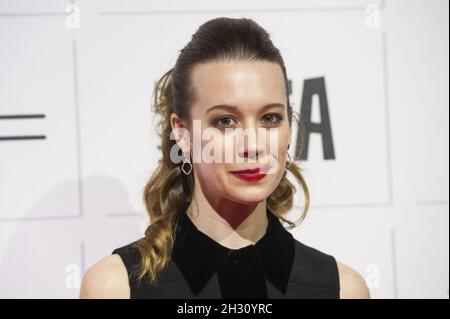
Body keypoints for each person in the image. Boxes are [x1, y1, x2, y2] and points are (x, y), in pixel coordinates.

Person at [80, 17, 370, 299]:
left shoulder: (342, 289)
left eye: (270, 118)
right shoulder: (117, 287)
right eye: (225, 121)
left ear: (289, 127)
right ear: (182, 134)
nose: (253, 145)